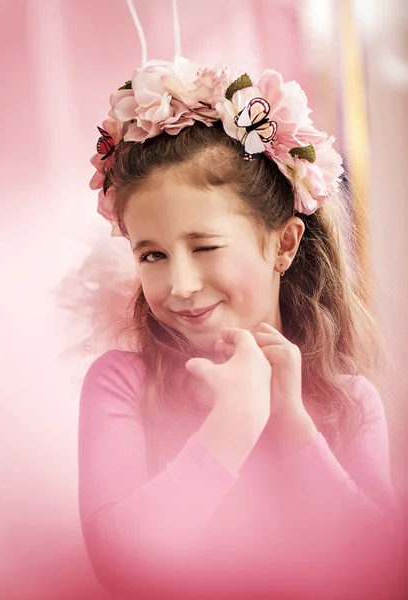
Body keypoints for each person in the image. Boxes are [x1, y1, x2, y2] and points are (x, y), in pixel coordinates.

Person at [77, 57, 402, 600]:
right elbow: (120, 566)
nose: (179, 284)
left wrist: (291, 421)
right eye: (152, 254)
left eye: (204, 247)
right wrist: (233, 423)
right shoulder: (123, 383)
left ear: (284, 244)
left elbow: (385, 566)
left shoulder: (349, 400)